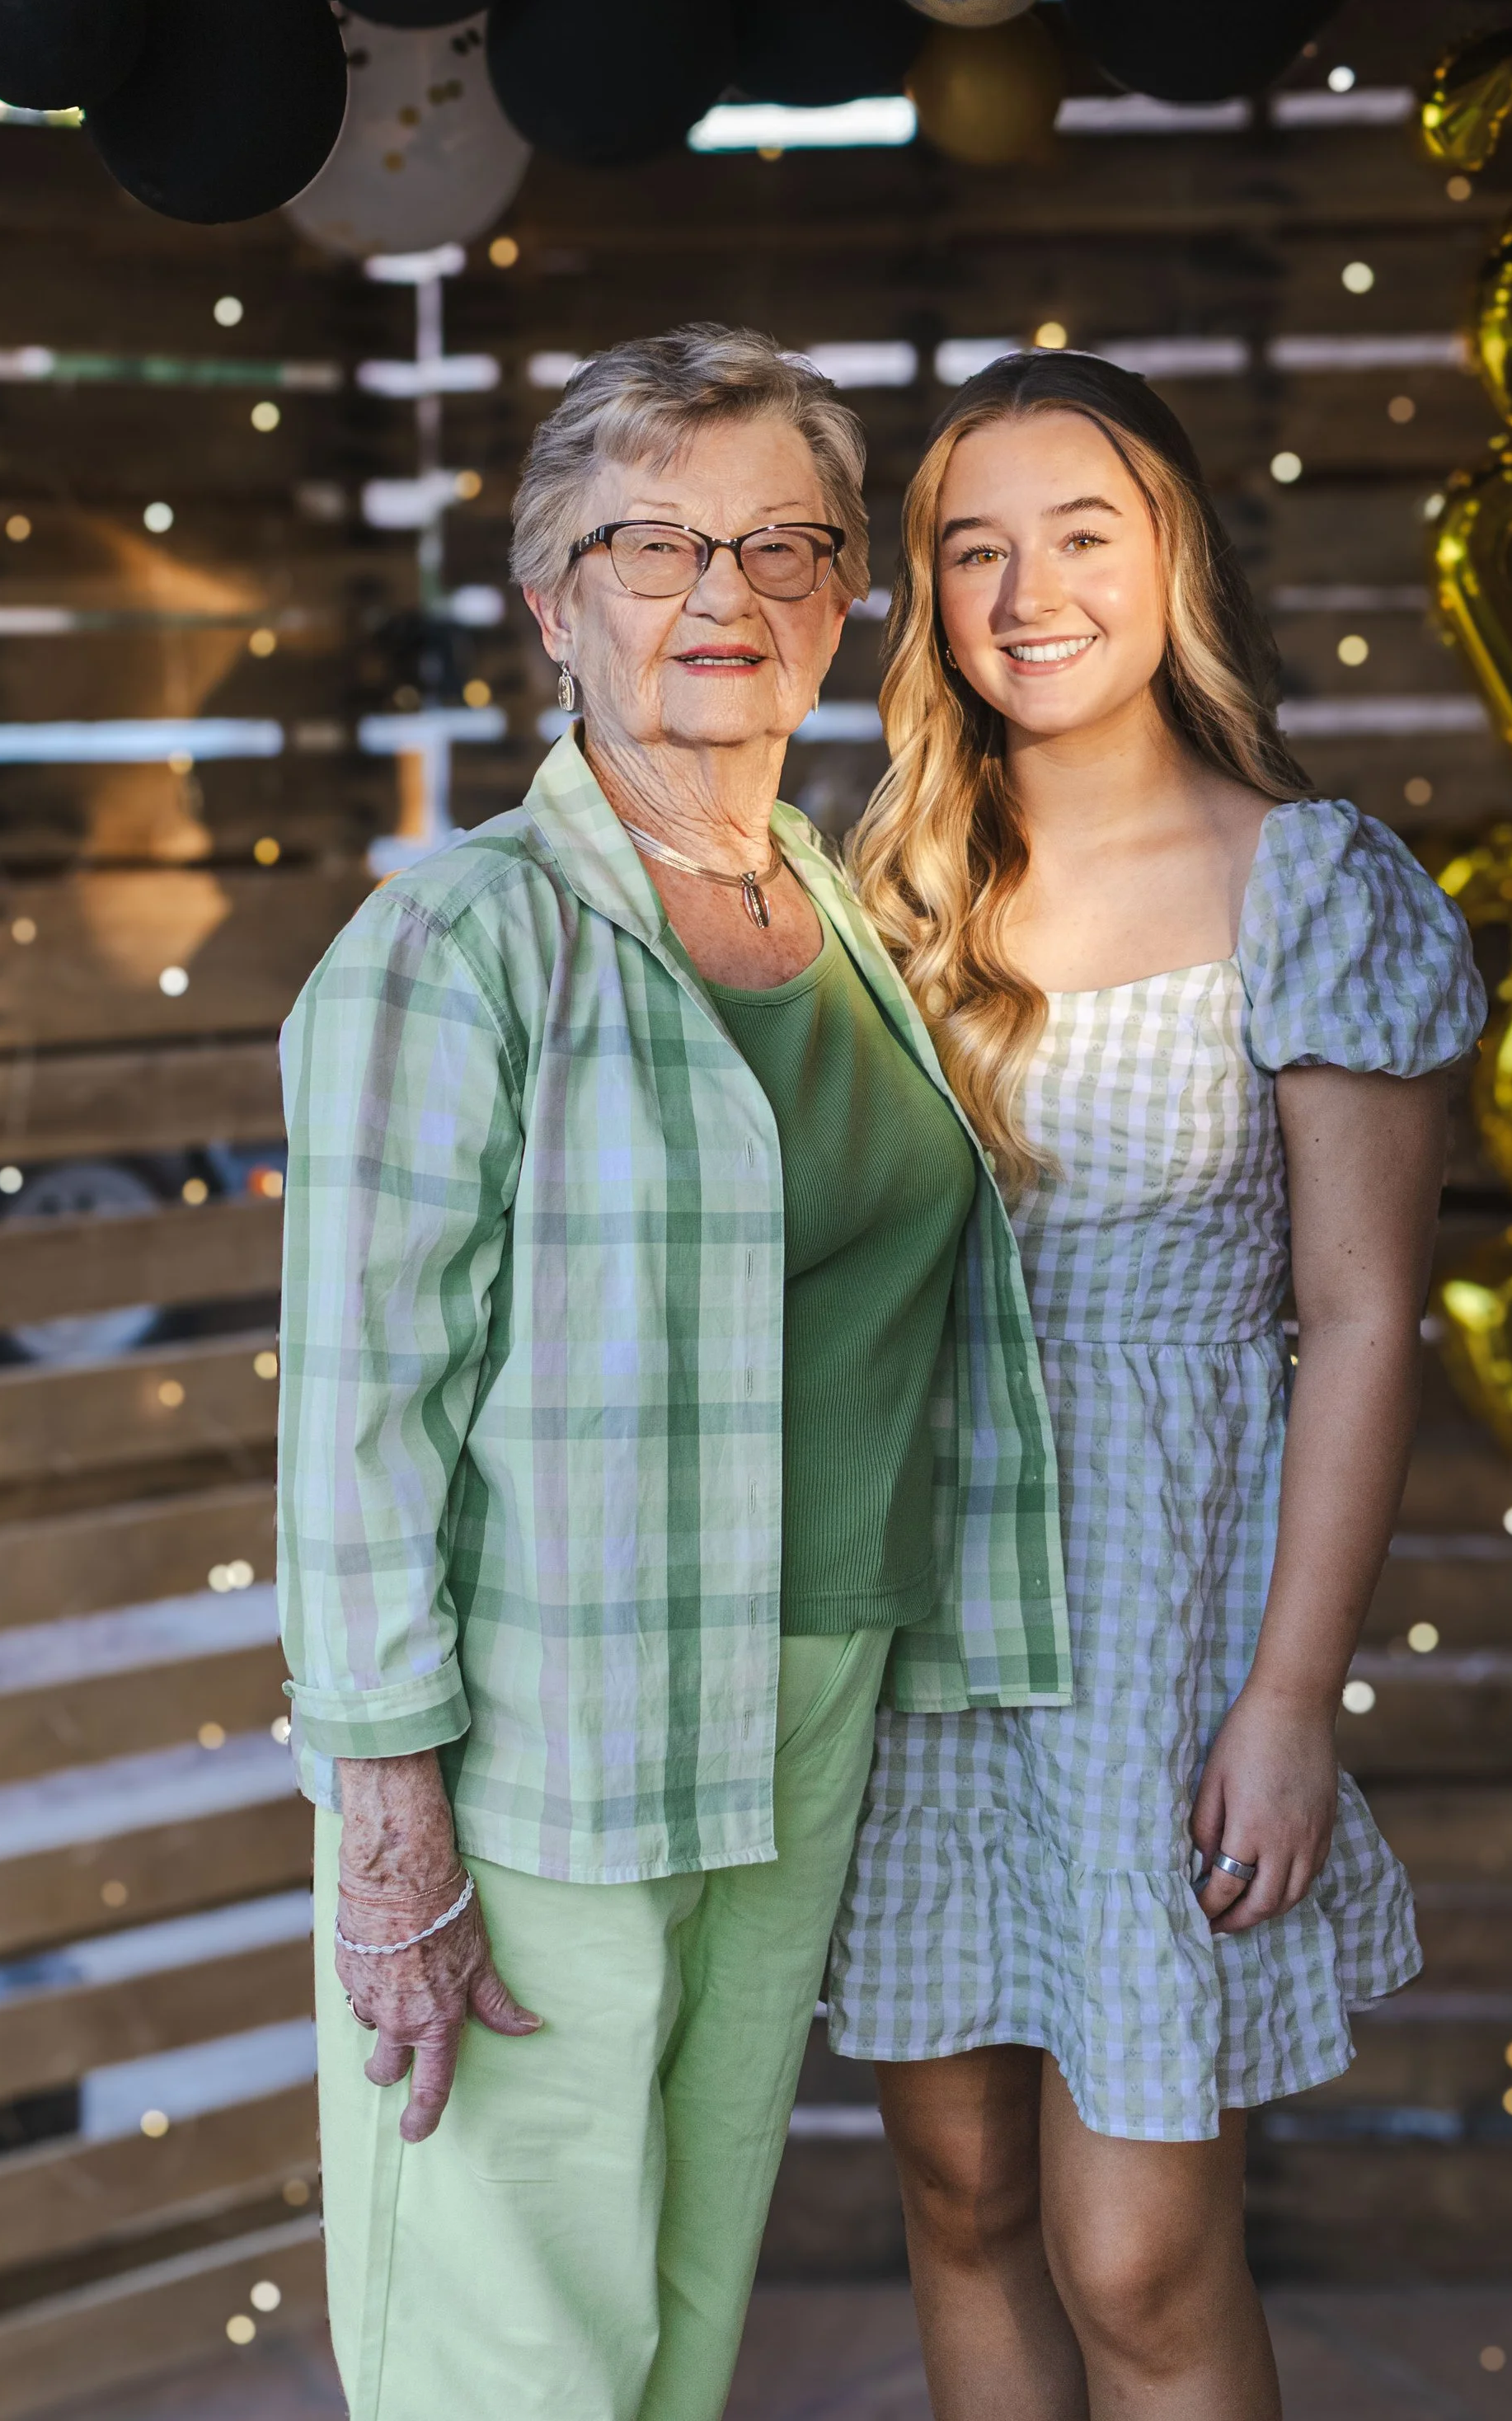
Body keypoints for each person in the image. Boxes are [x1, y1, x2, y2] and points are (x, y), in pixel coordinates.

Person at [275, 325, 1068, 2421]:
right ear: (553, 603)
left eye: (781, 547)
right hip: (547, 1713)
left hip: (805, 1685)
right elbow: (354, 1423)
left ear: (838, 603)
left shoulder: (840, 904)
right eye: (653, 546)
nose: (722, 597)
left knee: (681, 2289)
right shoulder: (461, 941)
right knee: (511, 2331)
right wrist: (385, 1830)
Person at [830, 350, 1487, 2420]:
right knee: (950, 2186)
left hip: (1158, 1634)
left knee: (1130, 2251)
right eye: (973, 548)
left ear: (1173, 559)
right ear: (927, 595)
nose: (1029, 590)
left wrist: (1289, 1705)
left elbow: (1364, 1318)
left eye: (1082, 534)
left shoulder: (1313, 880)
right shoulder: (889, 898)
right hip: (917, 1612)